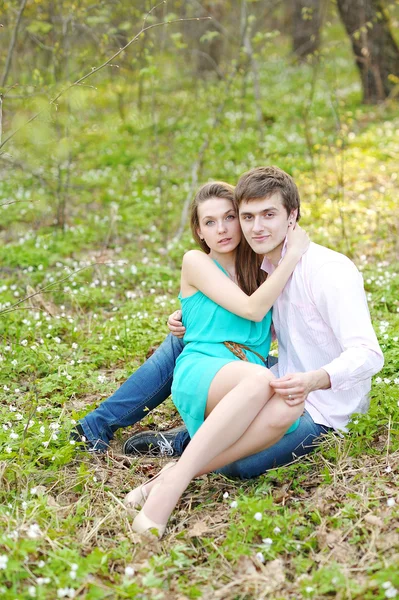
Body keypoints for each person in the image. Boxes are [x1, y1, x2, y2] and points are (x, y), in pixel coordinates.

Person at [74, 166, 383, 484]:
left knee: (237, 467)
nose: (255, 227)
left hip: (322, 407)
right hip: (277, 377)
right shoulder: (265, 266)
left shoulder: (326, 270)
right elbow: (268, 324)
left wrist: (314, 380)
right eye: (248, 216)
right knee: (187, 341)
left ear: (292, 217)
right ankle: (97, 425)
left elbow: (368, 353)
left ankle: (189, 442)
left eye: (267, 215)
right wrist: (193, 319)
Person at [124, 180, 309, 536]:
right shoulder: (195, 261)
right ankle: (167, 496)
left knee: (289, 405)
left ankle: (171, 474)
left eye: (229, 218)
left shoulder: (262, 266)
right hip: (205, 369)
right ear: (199, 231)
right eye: (210, 222)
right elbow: (254, 310)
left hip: (248, 375)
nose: (222, 229)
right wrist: (293, 255)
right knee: (261, 379)